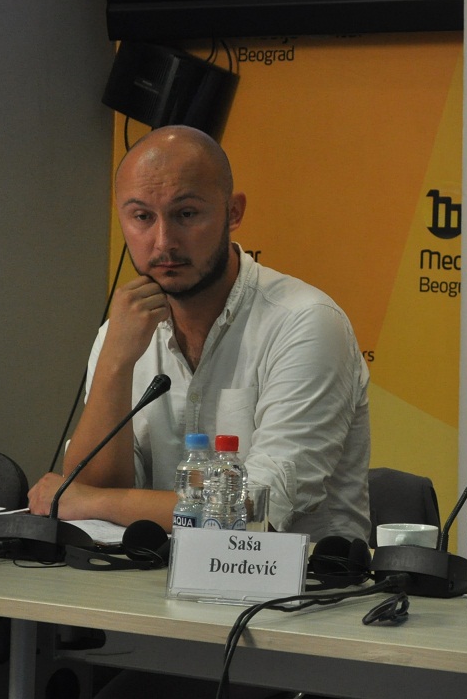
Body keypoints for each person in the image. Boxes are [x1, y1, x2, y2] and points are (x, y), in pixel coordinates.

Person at [28, 125, 371, 543]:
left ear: (233, 212)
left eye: (186, 214)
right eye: (142, 217)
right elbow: (85, 493)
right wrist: (114, 364)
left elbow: (254, 510)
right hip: (150, 575)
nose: (163, 242)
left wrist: (93, 501)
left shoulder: (306, 322)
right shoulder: (121, 332)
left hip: (297, 580)